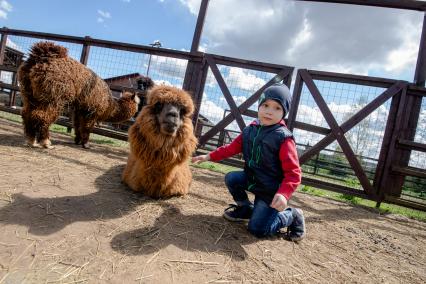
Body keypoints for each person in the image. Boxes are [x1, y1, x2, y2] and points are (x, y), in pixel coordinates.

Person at [192, 83, 305, 241]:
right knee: (232, 178)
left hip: (270, 191)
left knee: (258, 229)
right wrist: (208, 156)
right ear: (259, 106)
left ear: (284, 112)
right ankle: (245, 209)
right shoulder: (250, 130)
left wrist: (284, 194)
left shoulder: (283, 138)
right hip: (252, 179)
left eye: (277, 108)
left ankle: (292, 215)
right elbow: (230, 148)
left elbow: (293, 173)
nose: (269, 111)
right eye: (265, 105)